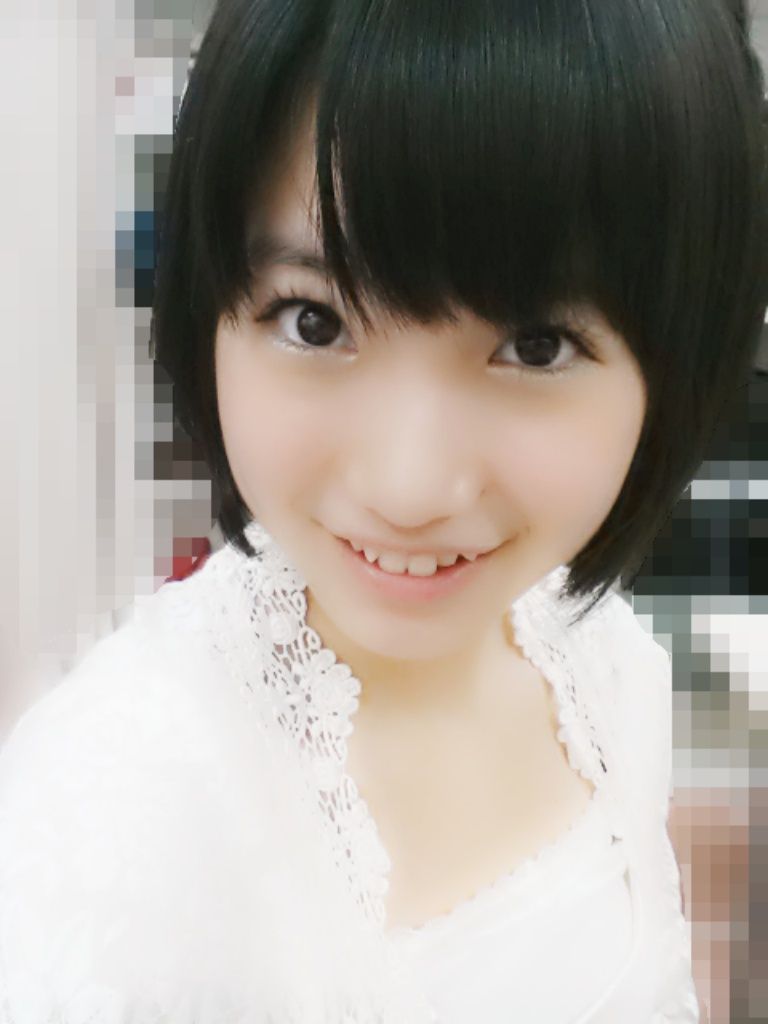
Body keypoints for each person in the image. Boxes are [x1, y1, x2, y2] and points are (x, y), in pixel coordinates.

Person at [1, 0, 766, 1020]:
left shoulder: (601, 661)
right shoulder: (111, 823)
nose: (408, 489)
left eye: (534, 346)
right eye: (314, 322)